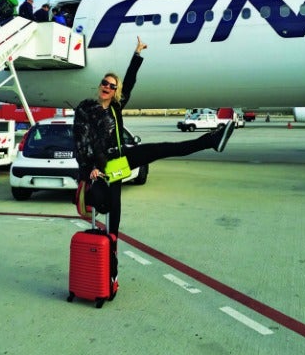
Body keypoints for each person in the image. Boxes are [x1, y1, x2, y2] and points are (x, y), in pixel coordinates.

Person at [73, 36, 235, 242]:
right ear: (100, 86)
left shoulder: (115, 107)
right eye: (104, 83)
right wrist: (89, 168)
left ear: (115, 92)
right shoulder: (86, 108)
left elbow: (129, 82)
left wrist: (137, 55)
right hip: (102, 166)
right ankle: (110, 263)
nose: (106, 87)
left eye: (112, 86)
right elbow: (81, 141)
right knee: (114, 211)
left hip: (120, 158)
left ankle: (211, 140)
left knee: (164, 149)